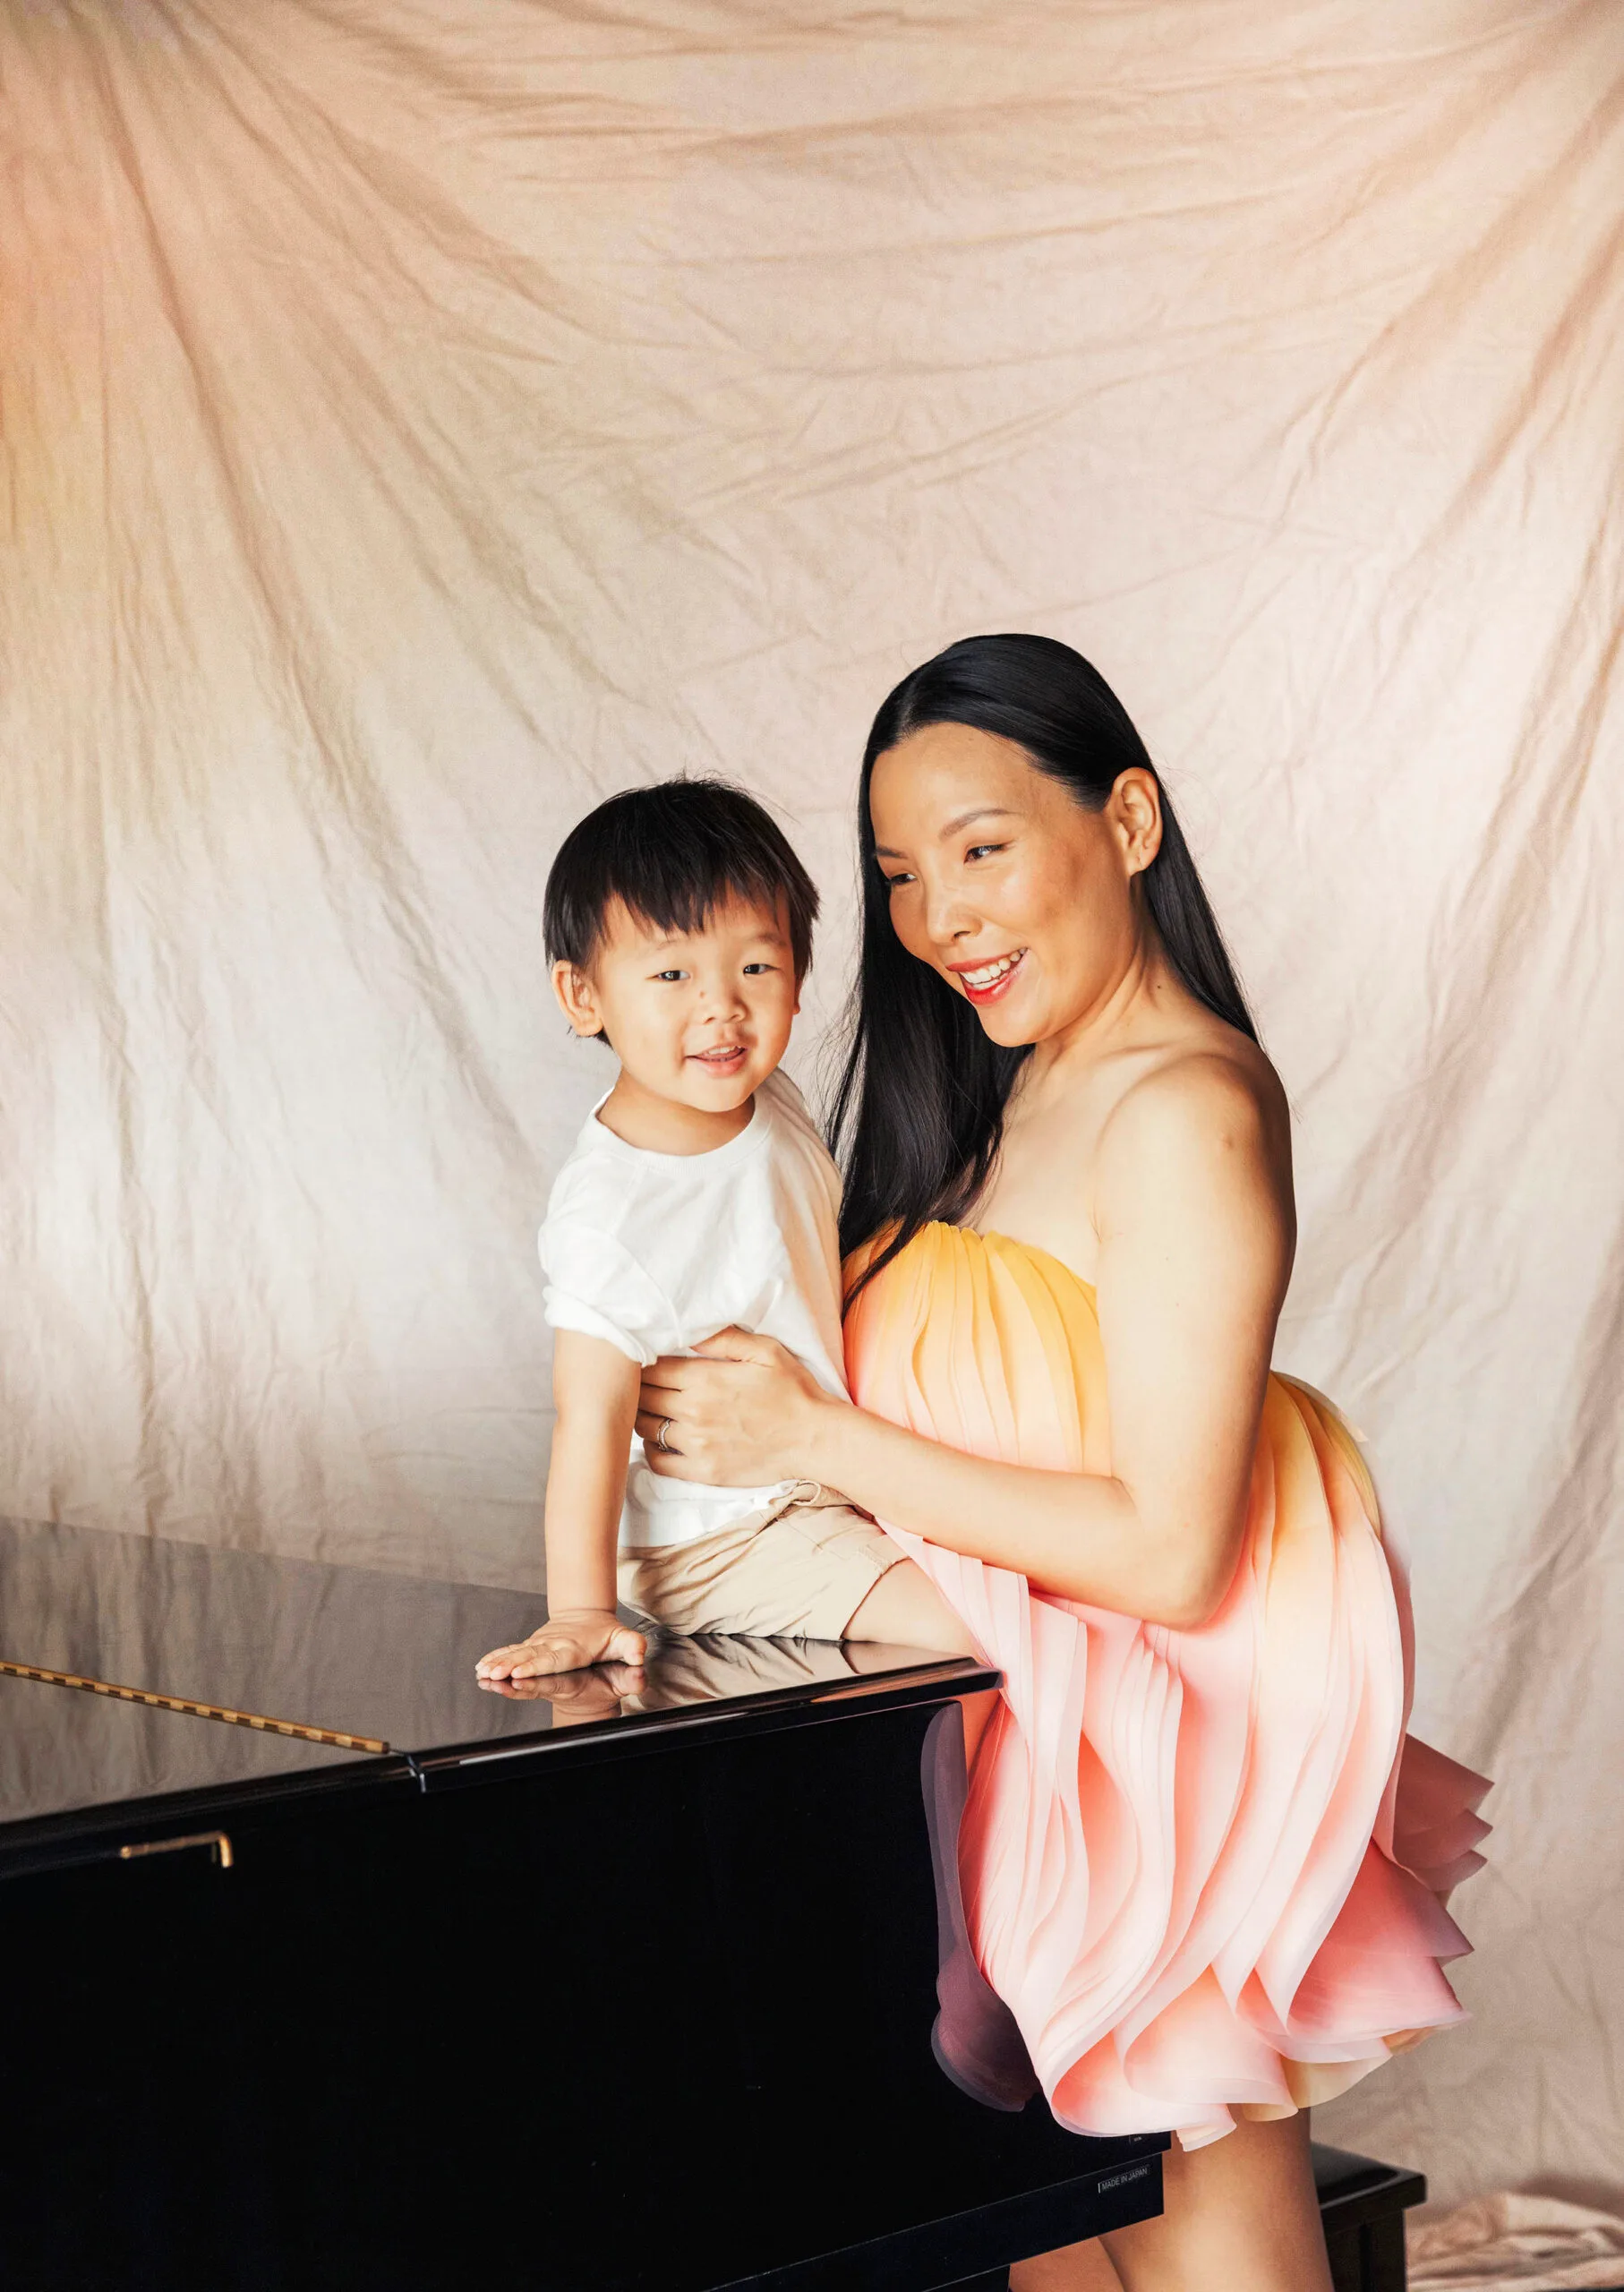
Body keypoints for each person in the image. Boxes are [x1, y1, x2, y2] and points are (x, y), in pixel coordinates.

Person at [632, 636, 1491, 2292]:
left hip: (1159, 1754)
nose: (939, 915)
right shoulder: (1009, 1095)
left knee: (1190, 2229)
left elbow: (1172, 1550)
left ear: (1128, 819)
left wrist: (817, 1434)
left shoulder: (1179, 1106)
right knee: (1044, 2251)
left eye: (979, 847)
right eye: (895, 874)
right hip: (1019, 1746)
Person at [474, 777, 977, 1684]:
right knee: (978, 1632)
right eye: (671, 974)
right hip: (727, 1534)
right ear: (582, 994)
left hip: (821, 1469)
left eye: (756, 966)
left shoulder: (762, 1094)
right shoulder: (610, 1208)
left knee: (1029, 1572)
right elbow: (586, 1419)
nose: (723, 1007)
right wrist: (579, 1611)